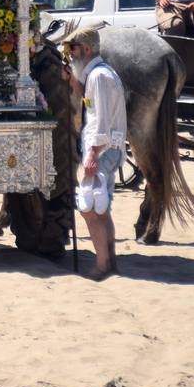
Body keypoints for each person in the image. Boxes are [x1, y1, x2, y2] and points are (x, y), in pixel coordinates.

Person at [64, 27, 127, 279]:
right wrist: (72, 82)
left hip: (101, 151)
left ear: (87, 49)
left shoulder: (99, 77)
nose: (71, 54)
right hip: (107, 150)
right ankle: (109, 262)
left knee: (90, 209)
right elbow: (90, 104)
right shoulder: (97, 75)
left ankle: (102, 265)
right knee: (102, 208)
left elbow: (100, 120)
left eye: (74, 48)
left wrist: (92, 154)